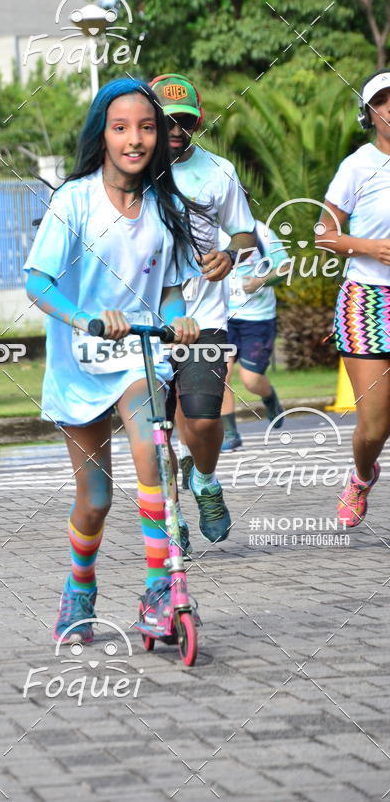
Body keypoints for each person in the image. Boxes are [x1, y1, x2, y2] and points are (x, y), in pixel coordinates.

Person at [24, 77, 206, 644]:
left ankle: (159, 591)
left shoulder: (165, 205)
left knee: (154, 461)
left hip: (138, 357)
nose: (135, 140)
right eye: (122, 127)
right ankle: (79, 588)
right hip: (80, 362)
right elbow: (37, 282)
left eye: (147, 128)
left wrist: (179, 317)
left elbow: (172, 287)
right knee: (95, 499)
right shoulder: (73, 201)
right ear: (102, 134)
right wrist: (85, 318)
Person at [149, 73, 256, 543]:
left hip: (205, 317)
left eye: (185, 121)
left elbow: (246, 233)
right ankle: (174, 518)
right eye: (167, 119)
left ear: (199, 120)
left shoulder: (219, 172)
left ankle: (205, 480)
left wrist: (231, 255)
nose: (176, 129)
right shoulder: (129, 170)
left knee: (204, 418)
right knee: (158, 429)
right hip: (145, 319)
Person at [318, 69, 390, 527]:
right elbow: (323, 234)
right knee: (376, 425)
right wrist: (371, 248)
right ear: (369, 114)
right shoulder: (358, 165)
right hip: (367, 298)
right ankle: (362, 476)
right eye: (382, 102)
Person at [220, 218, 289, 451]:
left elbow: (285, 267)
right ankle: (230, 433)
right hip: (222, 318)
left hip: (257, 318)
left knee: (250, 380)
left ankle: (270, 399)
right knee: (220, 375)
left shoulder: (262, 232)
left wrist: (260, 281)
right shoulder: (210, 231)